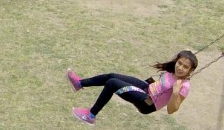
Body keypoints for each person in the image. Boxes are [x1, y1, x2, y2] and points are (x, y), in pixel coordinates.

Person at [67, 50, 198, 125]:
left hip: (148, 102)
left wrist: (175, 93)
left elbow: (171, 110)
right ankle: (79, 84)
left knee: (112, 83)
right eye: (179, 63)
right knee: (112, 75)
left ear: (191, 70)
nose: (180, 68)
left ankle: (91, 115)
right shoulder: (172, 71)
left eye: (185, 67)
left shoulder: (184, 86)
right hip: (146, 88)